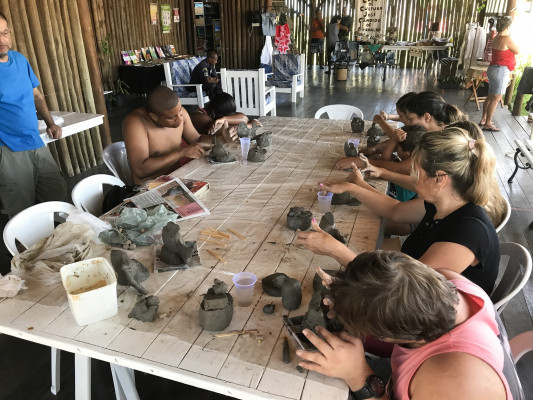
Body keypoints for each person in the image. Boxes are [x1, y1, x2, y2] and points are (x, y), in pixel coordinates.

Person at [297, 126, 505, 294]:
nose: (412, 177)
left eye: (416, 171)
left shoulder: (468, 233)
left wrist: (336, 250)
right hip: (406, 286)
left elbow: (402, 290)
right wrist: (353, 187)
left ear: (440, 179)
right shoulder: (443, 203)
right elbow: (395, 210)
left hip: (432, 321)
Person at [297, 251, 511, 400]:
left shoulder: (452, 384)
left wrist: (359, 376)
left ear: (387, 335)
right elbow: (390, 290)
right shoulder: (446, 282)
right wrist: (349, 293)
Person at [0, 12, 67, 218]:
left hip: (35, 141)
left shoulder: (19, 59)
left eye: (4, 33)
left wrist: (50, 122)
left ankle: (57, 237)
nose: (1, 40)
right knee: (22, 213)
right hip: (8, 150)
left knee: (57, 198)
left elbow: (36, 95)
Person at [123, 86, 237, 184]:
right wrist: (181, 152)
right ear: (154, 117)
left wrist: (222, 139)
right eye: (172, 117)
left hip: (176, 179)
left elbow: (197, 139)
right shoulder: (135, 123)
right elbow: (141, 170)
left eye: (180, 112)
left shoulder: (178, 111)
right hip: (148, 187)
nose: (180, 119)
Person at [336, 91, 465, 172]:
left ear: (427, 117)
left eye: (410, 119)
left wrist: (362, 162)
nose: (407, 123)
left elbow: (402, 167)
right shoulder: (438, 134)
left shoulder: (443, 142)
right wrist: (374, 149)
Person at [480, 17, 519, 132]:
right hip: (501, 70)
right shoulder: (506, 38)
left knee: (490, 96)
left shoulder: (496, 37)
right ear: (508, 27)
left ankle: (484, 119)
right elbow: (518, 50)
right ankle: (488, 123)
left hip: (493, 68)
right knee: (497, 97)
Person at [189, 92, 261, 135]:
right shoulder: (199, 117)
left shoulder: (214, 113)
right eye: (226, 116)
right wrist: (251, 125)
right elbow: (228, 132)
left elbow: (244, 118)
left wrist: (224, 119)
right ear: (214, 113)